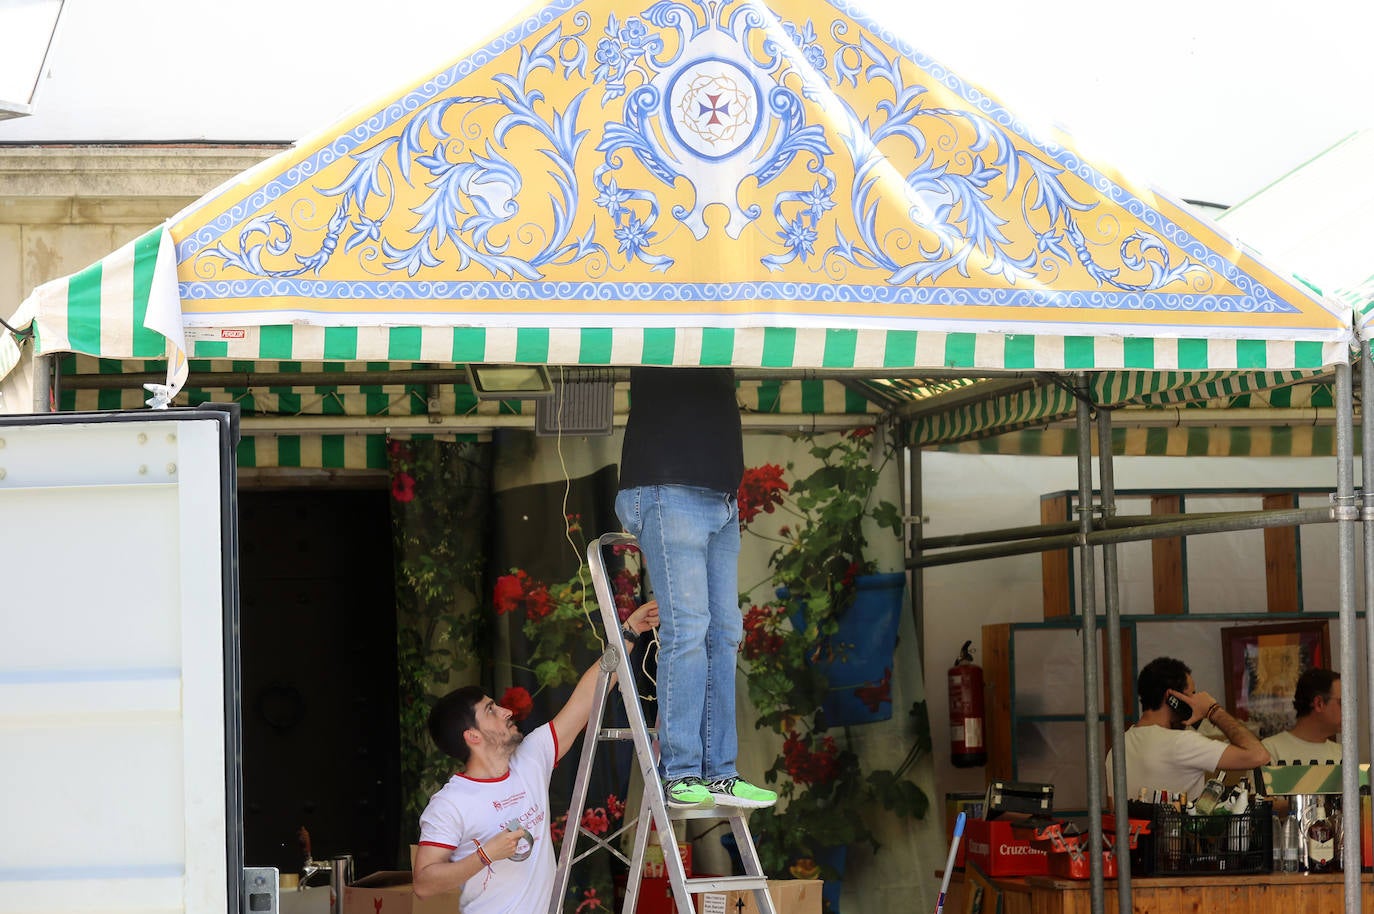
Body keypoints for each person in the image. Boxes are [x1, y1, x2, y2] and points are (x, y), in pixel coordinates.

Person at [412, 601, 658, 911]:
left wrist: (629, 631)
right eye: (491, 710)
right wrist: (485, 855)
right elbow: (423, 883)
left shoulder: (530, 757)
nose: (506, 711)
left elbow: (587, 696)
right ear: (472, 737)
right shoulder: (450, 803)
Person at [615, 366, 776, 810]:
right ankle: (682, 770)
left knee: (723, 630)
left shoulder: (732, 311)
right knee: (688, 627)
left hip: (720, 495)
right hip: (667, 486)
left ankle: (720, 772)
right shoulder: (667, 301)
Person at [1105, 656, 1270, 802]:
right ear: (1172, 698)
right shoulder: (1181, 743)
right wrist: (1213, 710)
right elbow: (1259, 756)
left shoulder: (1118, 747)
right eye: (1191, 694)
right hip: (1178, 837)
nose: (1195, 701)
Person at [1261, 668, 1342, 765]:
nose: (1349, 712)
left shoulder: (1342, 754)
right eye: (1342, 703)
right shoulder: (1269, 751)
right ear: (1319, 703)